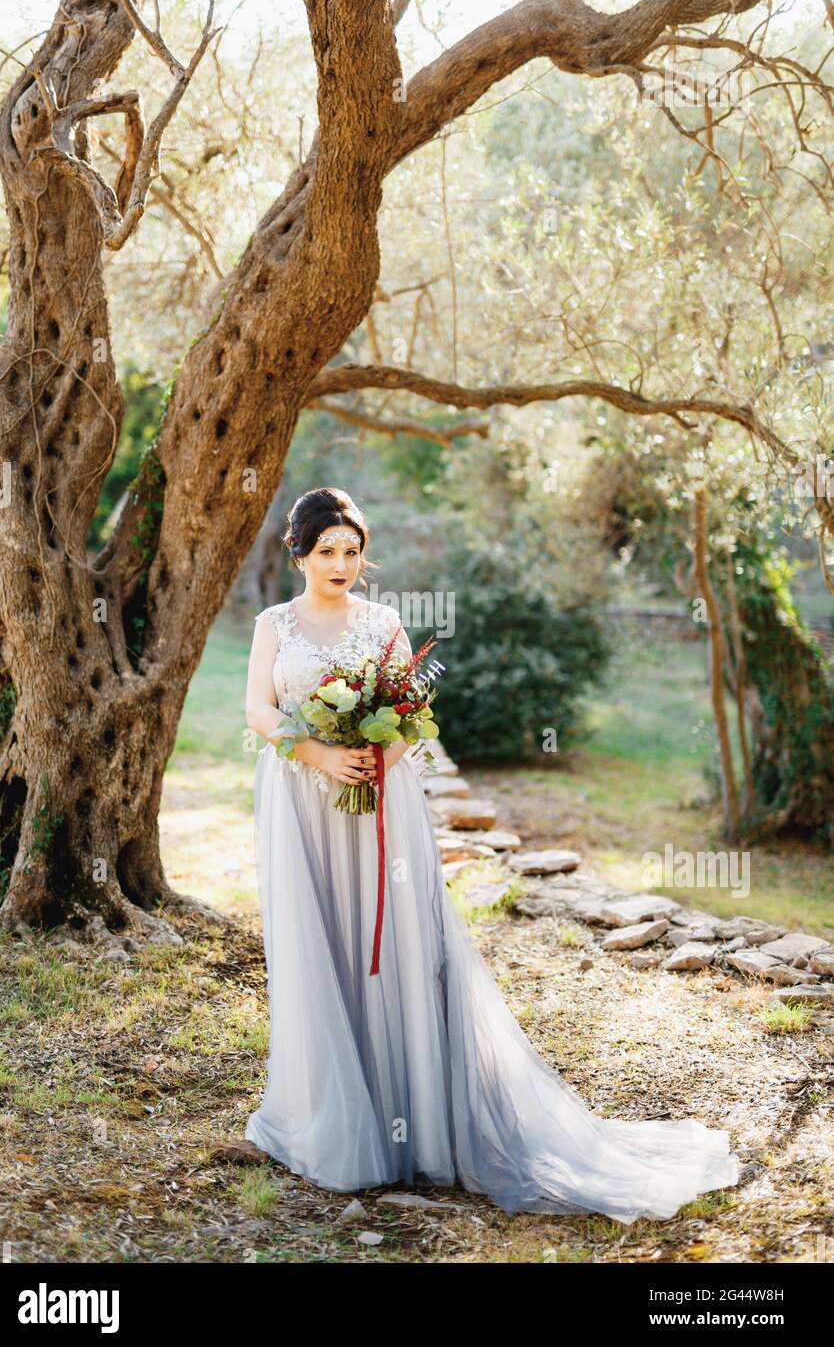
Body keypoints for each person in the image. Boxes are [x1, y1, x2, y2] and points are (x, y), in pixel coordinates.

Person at [243, 486, 743, 1222]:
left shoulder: (382, 622)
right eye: (328, 552)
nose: (343, 564)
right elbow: (259, 708)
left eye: (353, 551)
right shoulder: (273, 625)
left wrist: (384, 750)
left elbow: (408, 714)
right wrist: (317, 753)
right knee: (319, 942)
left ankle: (407, 1114)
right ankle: (330, 1111)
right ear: (300, 554)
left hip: (378, 803)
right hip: (302, 798)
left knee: (393, 947)